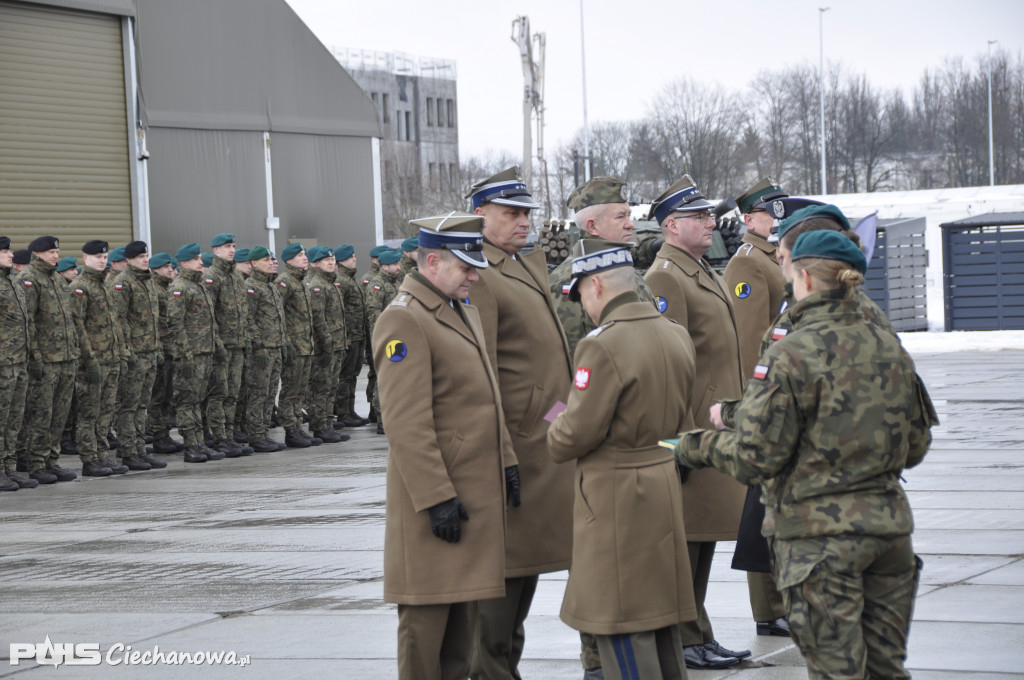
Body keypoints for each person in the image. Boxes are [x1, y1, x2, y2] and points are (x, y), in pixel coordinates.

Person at [675, 229, 938, 680]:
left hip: (820, 541)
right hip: (889, 534)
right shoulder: (887, 344)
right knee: (886, 669)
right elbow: (916, 446)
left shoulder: (791, 353)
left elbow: (756, 456)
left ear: (808, 279)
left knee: (836, 670)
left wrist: (692, 446)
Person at [373, 212, 517, 680]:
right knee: (427, 627)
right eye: (465, 267)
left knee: (461, 632)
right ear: (432, 262)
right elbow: (405, 422)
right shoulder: (404, 319)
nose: (474, 276)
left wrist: (507, 459)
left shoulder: (460, 307)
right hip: (435, 500)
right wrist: (436, 497)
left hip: (470, 493)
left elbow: (487, 394)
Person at [547, 239, 698, 680]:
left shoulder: (601, 345)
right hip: (661, 480)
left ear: (595, 286)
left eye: (581, 294)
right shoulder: (674, 332)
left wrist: (553, 416)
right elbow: (681, 423)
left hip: (616, 495)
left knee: (622, 623)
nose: (583, 306)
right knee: (659, 620)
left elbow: (572, 436)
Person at [467, 167, 573, 680]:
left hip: (541, 438)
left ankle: (505, 664)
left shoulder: (521, 264)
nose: (523, 221)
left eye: (526, 213)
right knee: (505, 569)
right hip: (513, 443)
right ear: (480, 215)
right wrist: (501, 447)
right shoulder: (481, 274)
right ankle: (488, 669)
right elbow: (481, 370)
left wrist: (559, 415)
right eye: (511, 213)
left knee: (528, 564)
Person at [643, 175, 749, 670]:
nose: (710, 222)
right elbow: (671, 364)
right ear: (671, 225)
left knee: (703, 535)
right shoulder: (666, 276)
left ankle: (698, 631)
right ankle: (685, 637)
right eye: (699, 216)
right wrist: (679, 442)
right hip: (693, 431)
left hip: (714, 428)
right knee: (688, 538)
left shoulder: (698, 267)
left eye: (709, 215)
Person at [722, 178, 791, 637]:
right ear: (748, 219)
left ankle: (785, 600)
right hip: (768, 399)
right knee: (761, 507)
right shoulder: (748, 263)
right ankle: (770, 609)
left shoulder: (776, 256)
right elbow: (750, 342)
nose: (779, 218)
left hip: (788, 393)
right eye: (770, 211)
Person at [549, 176, 657, 357]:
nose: (630, 224)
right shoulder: (569, 282)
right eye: (621, 216)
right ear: (592, 226)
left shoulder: (621, 269)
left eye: (628, 215)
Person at [15, 236, 80, 483]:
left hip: (65, 357)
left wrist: (74, 351)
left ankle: (52, 460)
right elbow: (28, 322)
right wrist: (35, 358)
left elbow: (68, 319)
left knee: (59, 415)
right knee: (41, 414)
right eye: (51, 252)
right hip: (45, 359)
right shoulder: (28, 279)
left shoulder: (57, 279)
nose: (55, 255)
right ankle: (36, 463)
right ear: (37, 253)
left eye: (57, 251)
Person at [70, 240, 130, 477]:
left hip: (111, 359)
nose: (102, 261)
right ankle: (89, 459)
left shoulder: (104, 285)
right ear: (85, 258)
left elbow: (115, 325)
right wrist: (89, 360)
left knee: (105, 412)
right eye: (97, 257)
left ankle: (102, 455)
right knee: (89, 413)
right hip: (93, 362)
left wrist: (122, 354)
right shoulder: (79, 287)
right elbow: (78, 327)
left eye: (104, 257)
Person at [166, 243, 227, 464]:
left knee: (199, 400)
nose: (201, 262)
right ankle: (191, 445)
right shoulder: (180, 287)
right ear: (183, 263)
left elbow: (209, 322)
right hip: (191, 354)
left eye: (200, 258)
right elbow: (175, 323)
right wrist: (185, 355)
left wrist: (217, 347)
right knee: (187, 401)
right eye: (195, 259)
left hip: (205, 352)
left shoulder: (199, 286)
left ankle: (200, 442)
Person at [110, 240, 167, 471]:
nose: (145, 260)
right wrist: (126, 352)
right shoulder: (123, 282)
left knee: (143, 405)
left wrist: (158, 348)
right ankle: (128, 451)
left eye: (146, 256)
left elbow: (154, 319)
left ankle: (140, 449)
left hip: (150, 352)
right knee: (129, 405)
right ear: (129, 260)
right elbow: (118, 320)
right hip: (134, 354)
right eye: (140, 257)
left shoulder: (148, 281)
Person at [205, 233, 253, 457]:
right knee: (219, 394)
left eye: (233, 246)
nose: (231, 250)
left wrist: (247, 339)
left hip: (238, 345)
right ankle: (219, 437)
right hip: (221, 347)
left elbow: (244, 312)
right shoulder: (211, 277)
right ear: (215, 250)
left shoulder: (236, 276)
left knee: (233, 393)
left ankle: (229, 435)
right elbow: (209, 316)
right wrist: (217, 345)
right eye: (226, 247)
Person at [0, 236, 38, 490]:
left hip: (18, 360)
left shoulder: (12, 281)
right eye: (5, 251)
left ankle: (8, 468)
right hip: (3, 362)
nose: (11, 255)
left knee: (14, 420)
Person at [276, 241, 322, 448]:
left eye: (305, 254)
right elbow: (279, 315)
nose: (305, 258)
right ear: (289, 260)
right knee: (290, 389)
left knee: (300, 390)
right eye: (300, 255)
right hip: (294, 346)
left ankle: (297, 426)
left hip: (305, 345)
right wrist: (287, 342)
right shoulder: (284, 282)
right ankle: (290, 429)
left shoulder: (301, 282)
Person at [244, 246, 288, 452]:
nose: (272, 263)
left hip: (275, 346)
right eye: (266, 260)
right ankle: (255, 435)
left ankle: (264, 432)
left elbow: (278, 319)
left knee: (270, 393)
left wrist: (283, 342)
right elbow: (248, 318)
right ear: (254, 263)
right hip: (262, 349)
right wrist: (258, 345)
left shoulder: (270, 286)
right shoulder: (250, 287)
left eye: (272, 259)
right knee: (258, 392)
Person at [304, 246, 350, 443]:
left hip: (337, 344)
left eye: (332, 259)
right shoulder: (317, 286)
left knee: (331, 386)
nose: (331, 263)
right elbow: (318, 318)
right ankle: (319, 425)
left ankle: (327, 423)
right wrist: (327, 343)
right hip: (325, 346)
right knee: (321, 387)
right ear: (316, 263)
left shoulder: (331, 283)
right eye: (326, 260)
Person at [147, 252, 183, 456]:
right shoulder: (154, 290)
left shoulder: (167, 288)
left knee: (168, 396)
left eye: (171, 266)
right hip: (160, 349)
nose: (171, 269)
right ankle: (158, 435)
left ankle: (165, 433)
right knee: (157, 396)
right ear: (156, 269)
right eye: (166, 266)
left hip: (171, 349)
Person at [365, 249, 402, 435]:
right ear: (385, 266)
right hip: (385, 339)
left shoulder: (395, 283)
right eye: (395, 264)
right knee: (384, 379)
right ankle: (381, 418)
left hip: (398, 337)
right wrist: (380, 339)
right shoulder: (377, 285)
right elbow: (374, 316)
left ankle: (394, 416)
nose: (398, 267)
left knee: (396, 379)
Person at [334, 244, 369, 427]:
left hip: (357, 335)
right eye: (350, 257)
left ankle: (350, 410)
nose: (354, 259)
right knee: (345, 376)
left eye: (354, 256)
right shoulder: (341, 280)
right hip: (348, 336)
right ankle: (342, 412)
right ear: (341, 261)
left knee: (353, 375)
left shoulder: (351, 279)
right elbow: (338, 311)